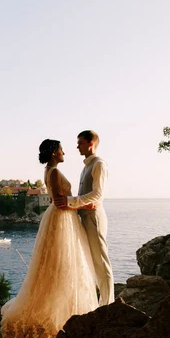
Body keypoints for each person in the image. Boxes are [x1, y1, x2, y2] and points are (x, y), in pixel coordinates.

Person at [0, 139, 98, 338]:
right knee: (60, 262)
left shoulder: (50, 170)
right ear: (54, 152)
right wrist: (85, 206)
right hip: (62, 218)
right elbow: (59, 202)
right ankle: (57, 312)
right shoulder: (53, 172)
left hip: (61, 217)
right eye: (62, 149)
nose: (64, 152)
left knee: (57, 263)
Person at [54, 130, 114, 306]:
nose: (77, 146)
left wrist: (69, 202)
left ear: (91, 143)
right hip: (85, 216)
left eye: (80, 142)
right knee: (91, 261)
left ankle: (108, 305)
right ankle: (100, 302)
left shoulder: (99, 164)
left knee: (101, 262)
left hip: (94, 218)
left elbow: (97, 194)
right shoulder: (86, 166)